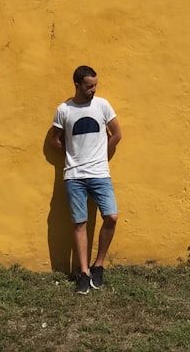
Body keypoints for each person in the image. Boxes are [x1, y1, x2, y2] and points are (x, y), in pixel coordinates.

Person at [48, 65, 123, 294]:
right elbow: (54, 139)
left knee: (111, 216)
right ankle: (84, 272)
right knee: (79, 223)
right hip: (74, 175)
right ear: (78, 85)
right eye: (89, 86)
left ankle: (98, 265)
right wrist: (73, 155)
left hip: (100, 173)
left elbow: (117, 134)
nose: (93, 90)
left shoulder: (102, 105)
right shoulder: (64, 110)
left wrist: (102, 155)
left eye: (95, 86)